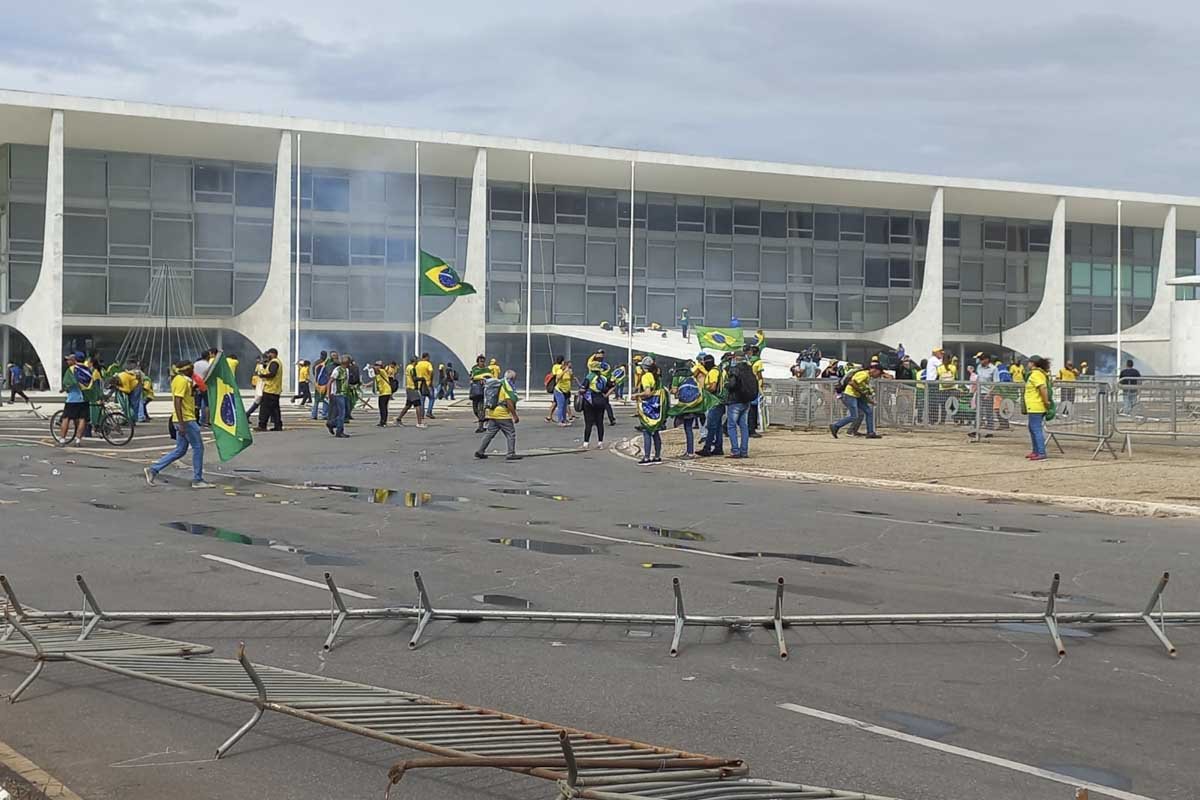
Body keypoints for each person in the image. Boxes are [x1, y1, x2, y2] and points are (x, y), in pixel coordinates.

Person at [143, 360, 215, 488]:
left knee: (180, 450)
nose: (194, 370)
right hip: (186, 420)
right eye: (192, 368)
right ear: (187, 370)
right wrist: (182, 424)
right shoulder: (182, 381)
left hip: (180, 419)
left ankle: (154, 469)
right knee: (198, 448)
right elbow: (178, 401)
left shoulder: (179, 380)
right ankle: (197, 480)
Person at [475, 369, 521, 461]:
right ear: (511, 378)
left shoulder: (498, 384)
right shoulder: (506, 387)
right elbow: (509, 402)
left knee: (489, 433)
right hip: (502, 414)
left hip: (493, 413)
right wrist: (514, 415)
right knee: (510, 433)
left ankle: (480, 451)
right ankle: (511, 453)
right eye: (514, 378)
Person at [831, 362, 883, 439]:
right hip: (850, 395)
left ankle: (870, 432)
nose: (878, 376)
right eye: (879, 373)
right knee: (854, 416)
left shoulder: (867, 376)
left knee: (869, 411)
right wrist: (862, 392)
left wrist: (868, 400)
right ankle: (836, 426)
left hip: (856, 396)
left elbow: (861, 389)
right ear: (875, 370)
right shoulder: (864, 374)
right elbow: (852, 382)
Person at [725, 351, 760, 458]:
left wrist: (726, 384)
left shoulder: (735, 370)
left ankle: (735, 451)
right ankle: (744, 451)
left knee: (731, 426)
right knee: (744, 426)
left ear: (735, 358)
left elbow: (732, 385)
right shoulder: (749, 369)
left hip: (735, 401)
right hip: (746, 401)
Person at [633, 357, 663, 464]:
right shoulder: (657, 377)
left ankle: (646, 457)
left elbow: (647, 392)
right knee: (655, 432)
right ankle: (657, 456)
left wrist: (636, 395)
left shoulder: (646, 377)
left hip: (648, 406)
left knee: (647, 431)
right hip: (657, 406)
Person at [58, 353, 90, 446]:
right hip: (84, 398)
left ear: (74, 360)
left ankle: (62, 439)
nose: (67, 361)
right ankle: (78, 440)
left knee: (66, 418)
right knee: (82, 419)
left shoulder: (71, 370)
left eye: (69, 360)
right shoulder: (87, 369)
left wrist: (64, 389)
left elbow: (66, 384)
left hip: (73, 399)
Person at [697, 354, 725, 457]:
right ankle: (718, 447)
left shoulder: (713, 372)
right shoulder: (718, 370)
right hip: (720, 402)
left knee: (711, 426)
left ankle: (707, 448)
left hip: (714, 402)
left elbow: (713, 387)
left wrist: (705, 389)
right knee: (718, 427)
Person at [1024, 355, 1051, 461]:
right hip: (1033, 405)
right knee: (1032, 428)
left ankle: (1040, 452)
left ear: (1033, 363)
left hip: (1036, 405)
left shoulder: (1036, 374)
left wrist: (1046, 401)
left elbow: (1042, 388)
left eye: (1029, 362)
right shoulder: (1037, 374)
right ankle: (1035, 451)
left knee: (1036, 429)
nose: (1027, 364)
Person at [580, 362, 612, 449]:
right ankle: (600, 443)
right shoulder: (604, 378)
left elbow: (583, 389)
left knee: (588, 423)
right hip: (601, 401)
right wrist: (606, 395)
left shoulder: (589, 377)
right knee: (600, 423)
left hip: (590, 402)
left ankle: (586, 443)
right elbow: (613, 385)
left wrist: (581, 391)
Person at [255, 347, 284, 431]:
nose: (268, 355)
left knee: (264, 409)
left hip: (270, 389)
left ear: (274, 354)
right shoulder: (276, 362)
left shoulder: (274, 362)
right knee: (275, 410)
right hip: (275, 389)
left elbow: (272, 373)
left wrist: (262, 375)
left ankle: (262, 425)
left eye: (269, 354)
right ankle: (278, 425)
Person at [325, 355, 352, 438]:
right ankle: (339, 431)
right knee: (341, 413)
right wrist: (328, 393)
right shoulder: (337, 370)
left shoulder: (346, 370)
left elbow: (346, 382)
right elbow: (330, 382)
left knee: (346, 413)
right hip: (337, 394)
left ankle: (332, 423)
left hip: (344, 394)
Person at [396, 356, 427, 428]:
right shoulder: (412, 368)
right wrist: (422, 378)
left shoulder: (408, 367)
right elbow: (414, 378)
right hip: (413, 388)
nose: (417, 363)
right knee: (418, 405)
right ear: (415, 361)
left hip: (408, 388)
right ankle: (419, 423)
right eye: (417, 361)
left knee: (408, 405)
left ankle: (398, 419)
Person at [746, 345, 765, 438]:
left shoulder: (748, 360)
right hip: (755, 385)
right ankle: (751, 429)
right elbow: (759, 375)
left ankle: (726, 426)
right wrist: (762, 385)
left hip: (747, 385)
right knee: (753, 409)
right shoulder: (758, 361)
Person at [469, 355, 490, 433]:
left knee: (481, 409)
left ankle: (480, 426)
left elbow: (490, 377)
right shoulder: (474, 369)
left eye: (483, 361)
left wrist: (484, 379)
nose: (482, 362)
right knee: (475, 410)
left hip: (482, 392)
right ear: (477, 362)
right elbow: (472, 377)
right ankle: (482, 419)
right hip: (475, 392)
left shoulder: (487, 369)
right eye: (480, 361)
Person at [310, 351, 330, 420]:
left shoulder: (316, 363)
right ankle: (324, 414)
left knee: (317, 400)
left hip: (318, 384)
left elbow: (313, 372)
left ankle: (314, 415)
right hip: (323, 384)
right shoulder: (325, 364)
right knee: (324, 399)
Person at [553, 359, 573, 425]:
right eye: (567, 366)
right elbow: (557, 379)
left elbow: (571, 379)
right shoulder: (560, 371)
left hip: (566, 391)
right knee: (560, 406)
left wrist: (571, 374)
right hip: (559, 390)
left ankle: (564, 419)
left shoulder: (569, 371)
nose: (568, 367)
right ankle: (560, 420)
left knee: (565, 406)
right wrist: (564, 371)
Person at [415, 354, 435, 418]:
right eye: (428, 357)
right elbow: (431, 371)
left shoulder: (418, 364)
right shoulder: (428, 364)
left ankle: (421, 414)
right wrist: (431, 380)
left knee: (422, 399)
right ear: (426, 357)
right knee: (432, 398)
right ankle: (429, 412)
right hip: (427, 383)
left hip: (419, 384)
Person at [373, 360, 393, 427]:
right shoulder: (378, 374)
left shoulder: (382, 371)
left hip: (386, 391)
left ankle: (383, 421)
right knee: (382, 407)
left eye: (377, 365)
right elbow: (375, 382)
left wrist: (372, 367)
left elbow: (377, 369)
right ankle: (383, 421)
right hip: (382, 392)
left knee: (383, 407)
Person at [547, 355, 565, 422]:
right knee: (562, 403)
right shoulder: (558, 367)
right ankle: (565, 417)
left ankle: (549, 416)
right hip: (558, 386)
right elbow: (555, 374)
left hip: (557, 386)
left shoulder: (555, 366)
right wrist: (562, 369)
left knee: (555, 402)